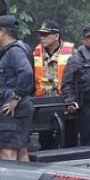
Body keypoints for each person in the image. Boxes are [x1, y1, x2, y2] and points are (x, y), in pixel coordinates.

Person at [0, 15, 34, 161]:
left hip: (11, 107)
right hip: (20, 105)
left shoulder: (14, 51)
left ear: (1, 32)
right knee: (22, 150)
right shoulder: (23, 48)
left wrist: (15, 97)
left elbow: (26, 72)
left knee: (7, 152)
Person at [33, 20, 76, 149]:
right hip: (44, 102)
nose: (42, 37)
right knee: (45, 140)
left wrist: (74, 101)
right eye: (41, 34)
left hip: (65, 102)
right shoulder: (35, 53)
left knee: (69, 138)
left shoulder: (72, 53)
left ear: (56, 36)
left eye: (46, 35)